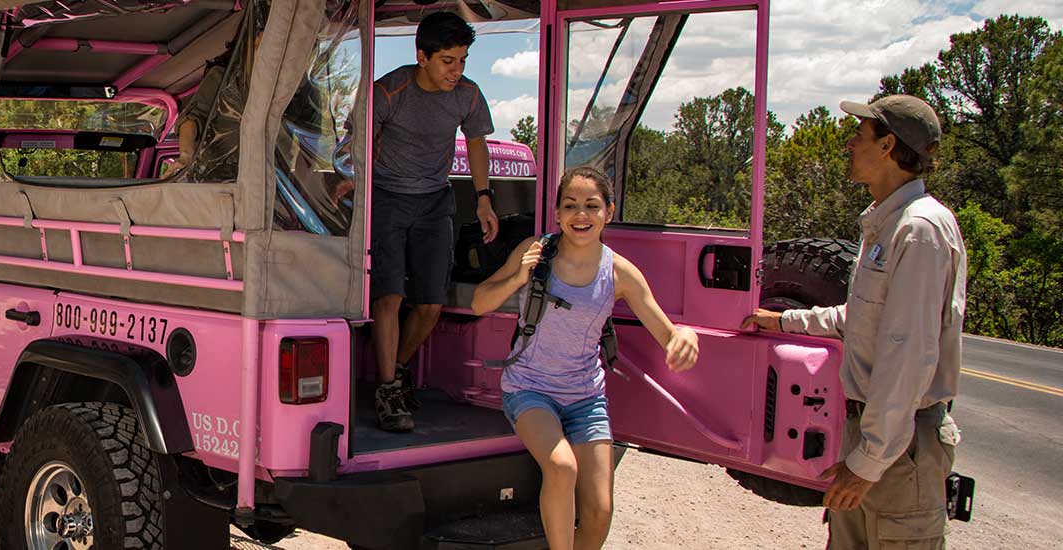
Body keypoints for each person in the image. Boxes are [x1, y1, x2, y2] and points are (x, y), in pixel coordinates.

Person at [740, 94, 966, 550]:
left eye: (859, 135)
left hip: (899, 448)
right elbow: (860, 318)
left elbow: (908, 357)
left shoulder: (919, 231)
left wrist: (869, 461)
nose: (849, 145)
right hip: (875, 437)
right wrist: (783, 322)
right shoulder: (887, 224)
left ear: (887, 147)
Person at [471, 166, 699, 550]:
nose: (581, 215)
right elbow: (480, 303)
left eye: (592, 206)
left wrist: (687, 337)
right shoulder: (536, 252)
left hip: (585, 397)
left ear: (609, 212)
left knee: (599, 511)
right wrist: (516, 279)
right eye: (571, 206)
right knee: (561, 467)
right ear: (557, 214)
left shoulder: (620, 272)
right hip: (530, 389)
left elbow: (668, 333)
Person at [366, 11, 499, 432]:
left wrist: (483, 199)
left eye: (462, 61)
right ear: (422, 56)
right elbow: (359, 143)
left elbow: (476, 145)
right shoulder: (390, 91)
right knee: (388, 297)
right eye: (447, 61)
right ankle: (387, 390)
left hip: (434, 201)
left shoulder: (468, 95)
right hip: (386, 198)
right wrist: (353, 182)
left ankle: (398, 369)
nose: (456, 71)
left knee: (430, 304)